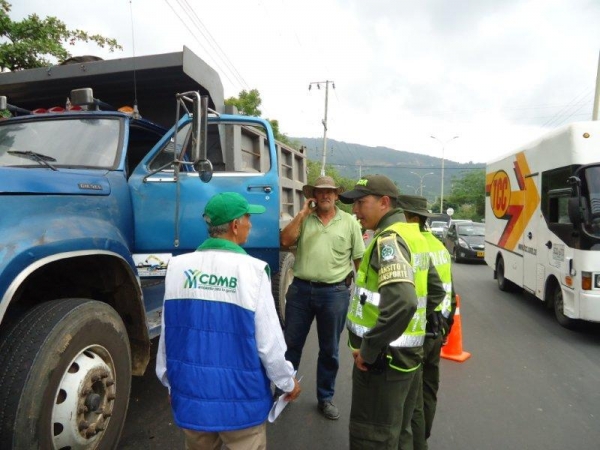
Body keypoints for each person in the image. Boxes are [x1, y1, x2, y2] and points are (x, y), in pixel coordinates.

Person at [156, 192, 301, 449]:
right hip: (241, 403)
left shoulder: (177, 267)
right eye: (248, 218)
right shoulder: (253, 271)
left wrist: (170, 384)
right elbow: (269, 344)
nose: (250, 224)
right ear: (235, 226)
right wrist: (287, 382)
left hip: (192, 398)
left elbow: (170, 335)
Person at [339, 175, 445, 449]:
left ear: (384, 202)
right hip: (408, 360)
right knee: (402, 433)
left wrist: (370, 349)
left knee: (373, 437)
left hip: (382, 364)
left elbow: (404, 302)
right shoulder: (414, 235)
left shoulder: (389, 241)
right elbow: (434, 291)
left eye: (361, 203)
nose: (356, 211)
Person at [280, 175, 365, 420]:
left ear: (337, 195)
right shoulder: (305, 220)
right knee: (291, 345)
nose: (325, 195)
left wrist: (362, 296)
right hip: (300, 291)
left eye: (330, 192)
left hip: (335, 294)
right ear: (313, 196)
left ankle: (325, 398)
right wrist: (302, 214)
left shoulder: (349, 222)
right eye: (320, 192)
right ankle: (285, 390)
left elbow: (359, 260)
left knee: (329, 350)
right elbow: (285, 240)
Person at [398, 195, 456, 450]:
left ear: (409, 218)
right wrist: (445, 326)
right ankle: (424, 436)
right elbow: (450, 291)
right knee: (429, 389)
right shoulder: (439, 246)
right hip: (438, 329)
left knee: (413, 400)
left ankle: (417, 442)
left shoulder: (410, 244)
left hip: (418, 331)